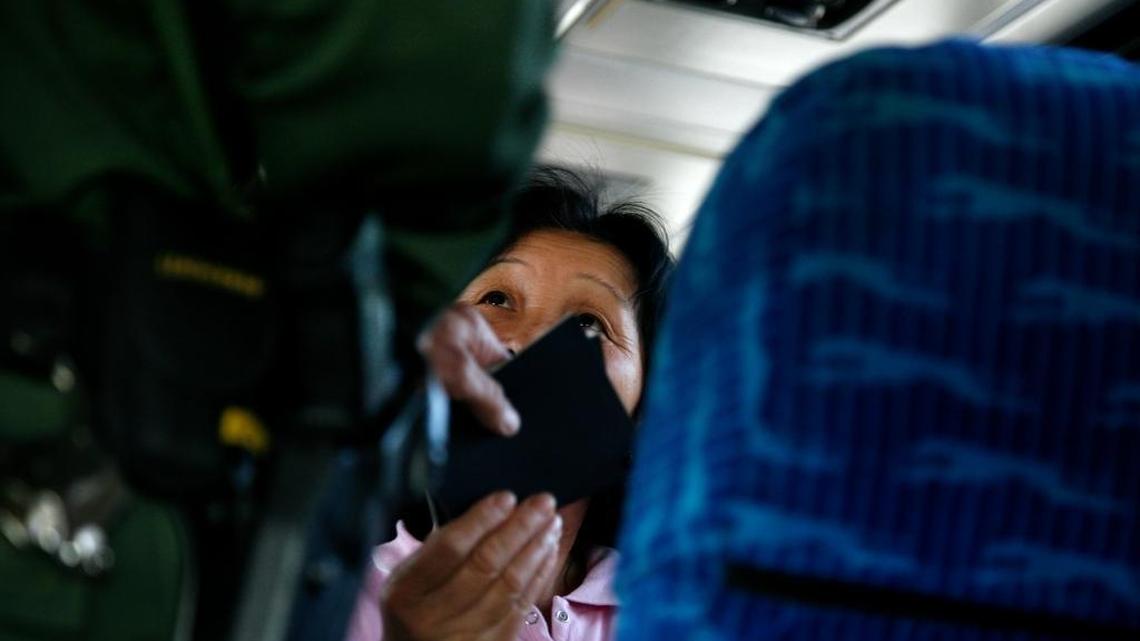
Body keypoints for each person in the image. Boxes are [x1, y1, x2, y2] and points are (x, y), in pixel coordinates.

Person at [347, 167, 674, 641]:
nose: (528, 343)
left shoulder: (677, 609)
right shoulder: (336, 590)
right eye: (496, 299)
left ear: (646, 399)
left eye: (588, 324)